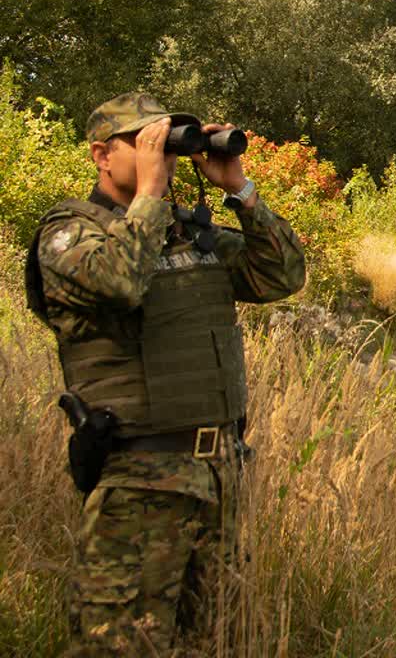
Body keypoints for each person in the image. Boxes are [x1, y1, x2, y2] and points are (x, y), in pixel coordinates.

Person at [24, 92, 306, 654]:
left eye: (168, 143)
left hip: (220, 475)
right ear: (103, 155)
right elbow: (118, 283)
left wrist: (241, 192)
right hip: (139, 480)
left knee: (220, 640)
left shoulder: (184, 233)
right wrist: (150, 195)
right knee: (122, 646)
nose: (164, 155)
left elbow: (282, 276)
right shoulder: (70, 233)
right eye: (146, 143)